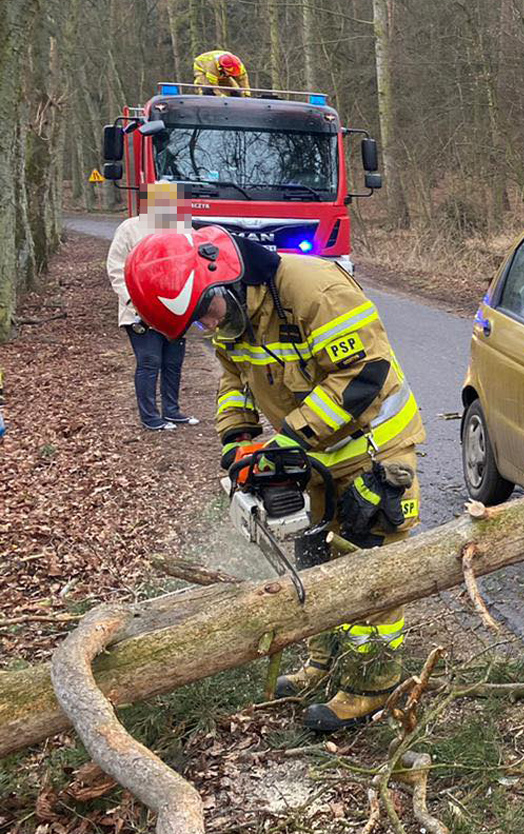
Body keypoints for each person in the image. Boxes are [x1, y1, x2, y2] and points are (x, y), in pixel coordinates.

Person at [124, 226, 426, 733]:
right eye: (195, 322)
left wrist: (290, 438)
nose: (206, 325)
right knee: (312, 558)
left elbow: (364, 375)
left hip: (374, 450)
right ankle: (324, 661)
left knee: (369, 568)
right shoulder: (230, 317)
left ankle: (373, 684)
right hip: (312, 455)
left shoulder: (311, 288)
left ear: (222, 277)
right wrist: (237, 439)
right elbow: (235, 379)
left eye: (205, 312)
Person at [107, 182, 199, 431]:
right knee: (149, 361)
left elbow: (193, 267)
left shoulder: (183, 230)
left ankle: (172, 410)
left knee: (173, 362)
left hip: (174, 309)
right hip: (139, 312)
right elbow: (116, 268)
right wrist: (133, 302)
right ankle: (150, 416)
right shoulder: (130, 229)